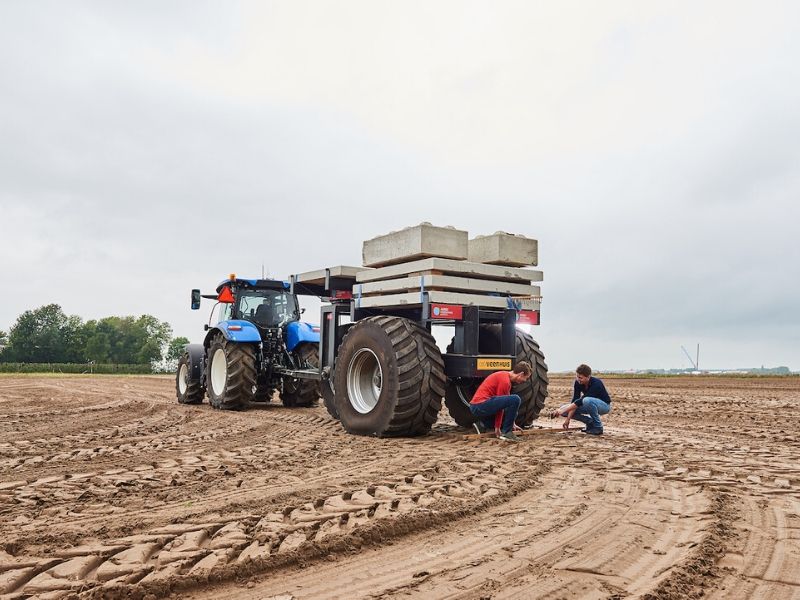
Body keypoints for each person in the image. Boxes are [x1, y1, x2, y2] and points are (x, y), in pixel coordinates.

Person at [469, 361, 532, 442]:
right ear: (521, 374)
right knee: (516, 399)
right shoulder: (504, 381)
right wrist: (497, 428)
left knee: (510, 413)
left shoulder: (506, 378)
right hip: (479, 405)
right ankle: (507, 433)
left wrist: (513, 423)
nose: (525, 380)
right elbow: (501, 407)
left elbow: (505, 404)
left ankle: (481, 425)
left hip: (478, 406)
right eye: (526, 378)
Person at [552, 364, 611, 435]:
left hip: (604, 406)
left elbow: (580, 401)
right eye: (577, 376)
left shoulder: (596, 383)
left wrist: (562, 411)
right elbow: (575, 401)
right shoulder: (577, 383)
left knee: (586, 400)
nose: (578, 379)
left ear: (588, 377)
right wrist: (567, 419)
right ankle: (590, 422)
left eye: (580, 378)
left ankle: (598, 427)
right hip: (588, 405)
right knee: (565, 409)